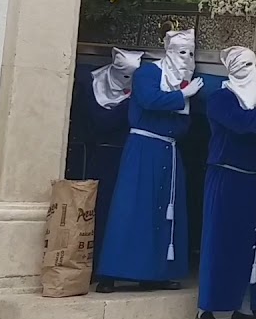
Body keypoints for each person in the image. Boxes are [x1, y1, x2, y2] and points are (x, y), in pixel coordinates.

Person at [97, 29, 202, 293]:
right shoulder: (148, 73)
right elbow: (149, 99)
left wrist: (181, 98)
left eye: (191, 53)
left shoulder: (183, 82)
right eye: (181, 52)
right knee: (131, 207)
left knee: (163, 211)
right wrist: (181, 96)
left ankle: (155, 273)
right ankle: (112, 272)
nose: (186, 58)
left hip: (168, 149)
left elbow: (182, 123)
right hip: (143, 148)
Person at [195, 47, 256, 319]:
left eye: (251, 64)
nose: (248, 71)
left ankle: (246, 306)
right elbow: (242, 124)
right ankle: (206, 308)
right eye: (242, 65)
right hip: (228, 179)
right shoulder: (221, 99)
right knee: (220, 242)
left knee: (253, 243)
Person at [72, 48, 142, 275]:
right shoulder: (93, 86)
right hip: (98, 156)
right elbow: (101, 122)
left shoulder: (136, 93)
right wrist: (128, 104)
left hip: (126, 156)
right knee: (97, 210)